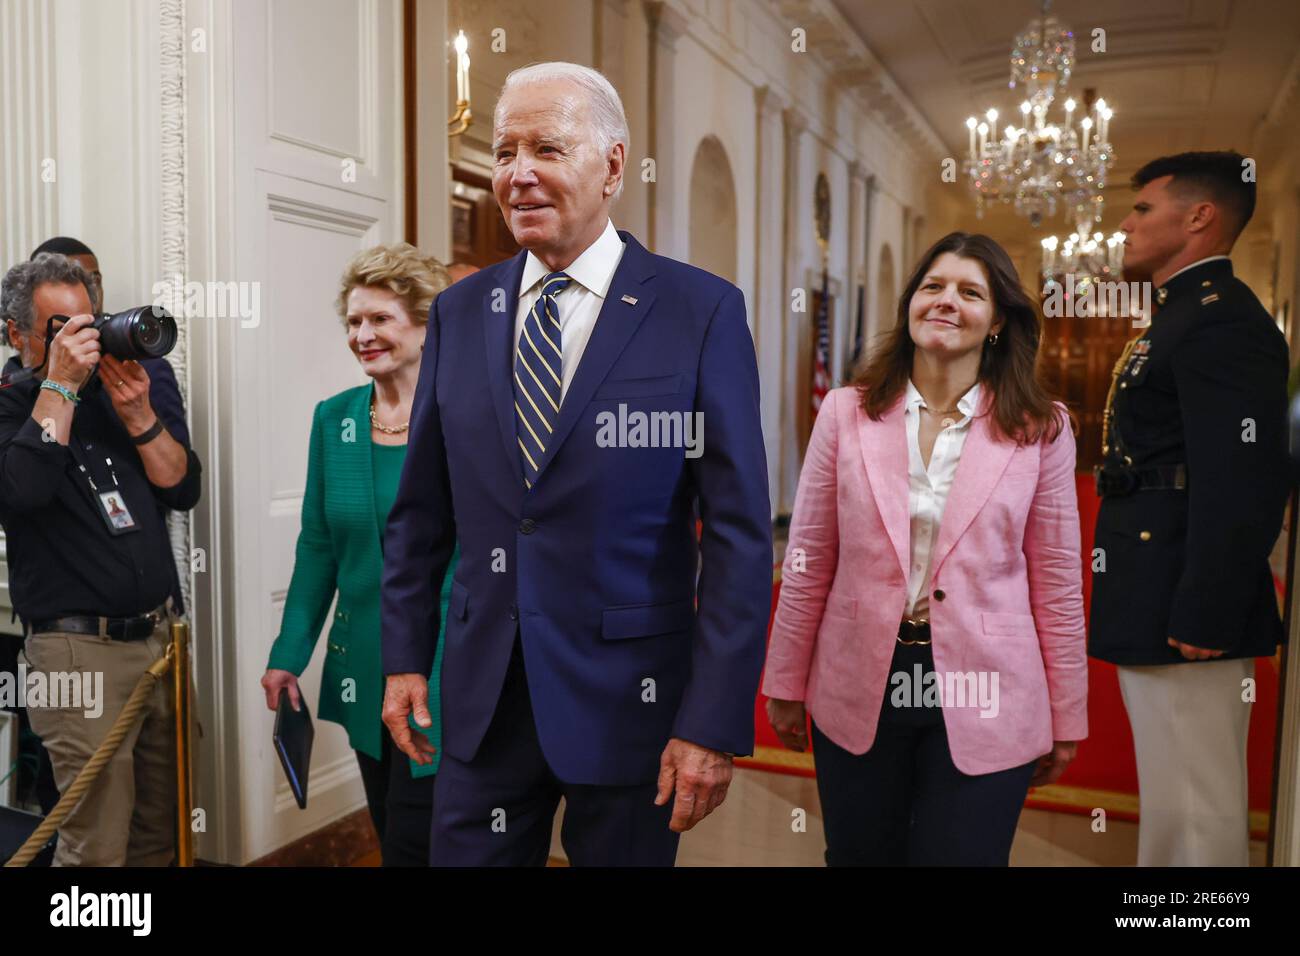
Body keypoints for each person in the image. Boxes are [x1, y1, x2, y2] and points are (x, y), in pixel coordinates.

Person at [380, 61, 772, 866]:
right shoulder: (459, 311)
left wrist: (710, 720)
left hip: (633, 703)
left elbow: (737, 536)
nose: (518, 174)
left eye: (547, 150)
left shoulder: (700, 311)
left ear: (614, 166)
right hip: (484, 699)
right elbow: (421, 513)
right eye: (502, 152)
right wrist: (404, 660)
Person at [763, 232, 1088, 866]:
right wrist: (784, 678)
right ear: (911, 304)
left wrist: (1067, 711)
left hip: (987, 685)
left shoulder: (1040, 428)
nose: (946, 301)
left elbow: (1056, 580)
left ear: (997, 322)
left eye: (970, 292)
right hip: (862, 678)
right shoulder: (845, 413)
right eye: (932, 286)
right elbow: (807, 560)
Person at [1089, 151, 1290, 866]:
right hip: (1158, 581)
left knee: (1200, 805)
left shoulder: (1219, 320)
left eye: (1143, 208)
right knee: (1174, 796)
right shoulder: (1184, 313)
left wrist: (1207, 605)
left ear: (1199, 216)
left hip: (1186, 597)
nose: (1127, 222)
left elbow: (1242, 476)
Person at [0, 253, 202, 866]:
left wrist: (140, 414)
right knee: (96, 846)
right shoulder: (11, 406)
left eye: (88, 324)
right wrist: (58, 385)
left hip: (159, 640)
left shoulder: (117, 395)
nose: (83, 342)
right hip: (75, 654)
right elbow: (25, 493)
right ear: (17, 335)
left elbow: (182, 487)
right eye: (63, 329)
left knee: (160, 832)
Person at [261, 244, 456, 867]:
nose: (362, 335)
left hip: (451, 667)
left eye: (380, 320)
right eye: (353, 321)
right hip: (365, 664)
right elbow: (318, 546)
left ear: (427, 326)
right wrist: (288, 655)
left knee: (421, 839)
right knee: (391, 825)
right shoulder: (335, 420)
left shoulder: (465, 416)